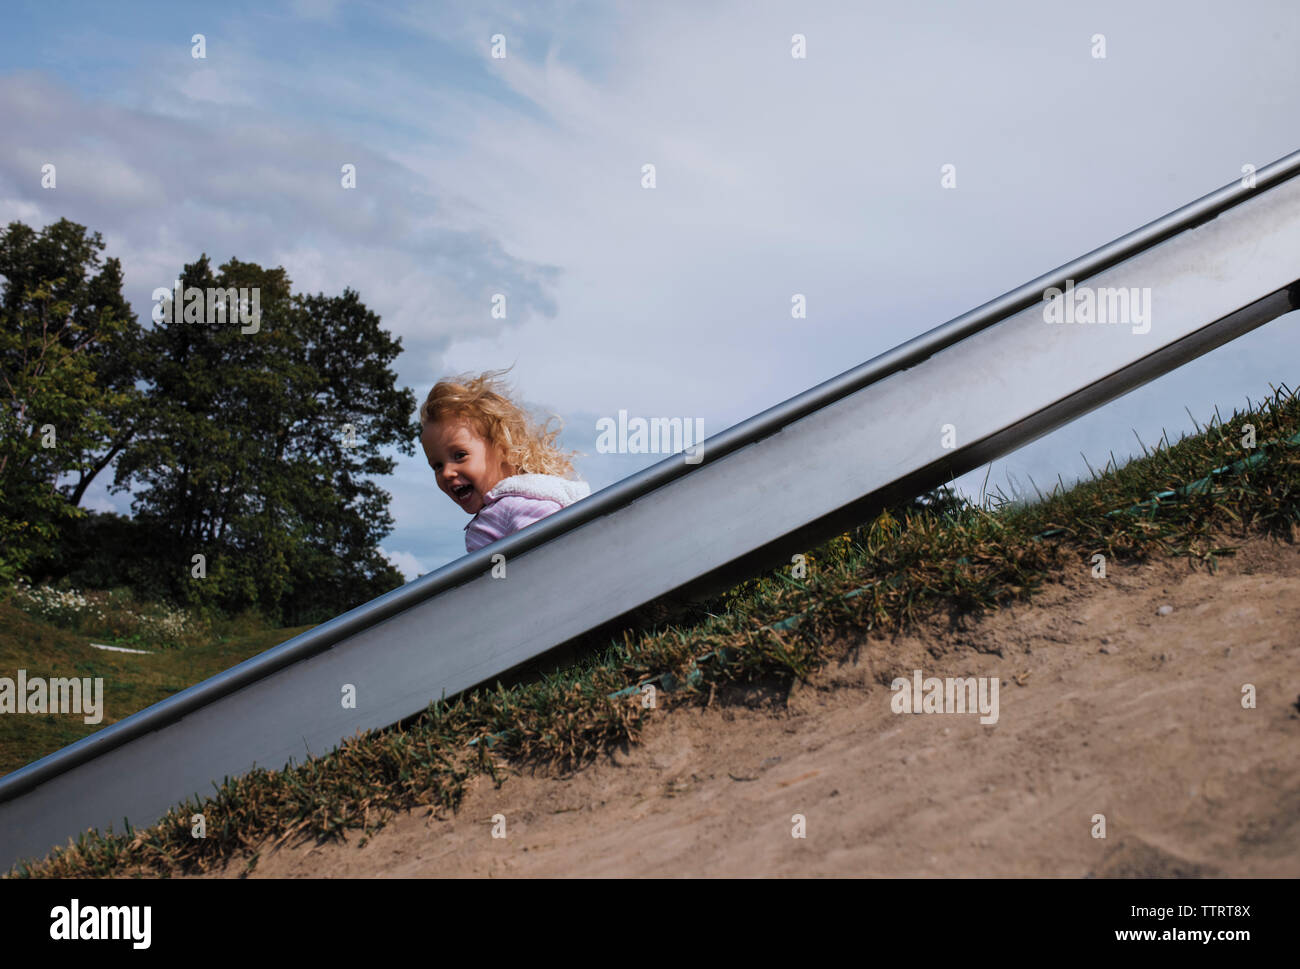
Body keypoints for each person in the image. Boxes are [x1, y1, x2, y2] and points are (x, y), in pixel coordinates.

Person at [419, 367, 591, 553]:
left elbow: (552, 553)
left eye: (460, 455)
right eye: (437, 466)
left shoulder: (516, 507)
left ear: (502, 448)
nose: (446, 472)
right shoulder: (501, 510)